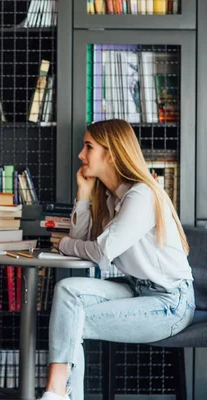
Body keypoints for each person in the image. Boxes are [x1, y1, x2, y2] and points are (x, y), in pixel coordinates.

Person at [39, 119, 195, 400]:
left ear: (110, 153)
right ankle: (58, 391)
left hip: (171, 303)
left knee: (72, 320)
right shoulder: (113, 198)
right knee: (67, 290)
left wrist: (62, 243)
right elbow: (85, 241)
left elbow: (99, 253)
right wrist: (84, 195)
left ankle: (56, 391)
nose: (81, 155)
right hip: (137, 288)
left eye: (88, 147)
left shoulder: (142, 196)